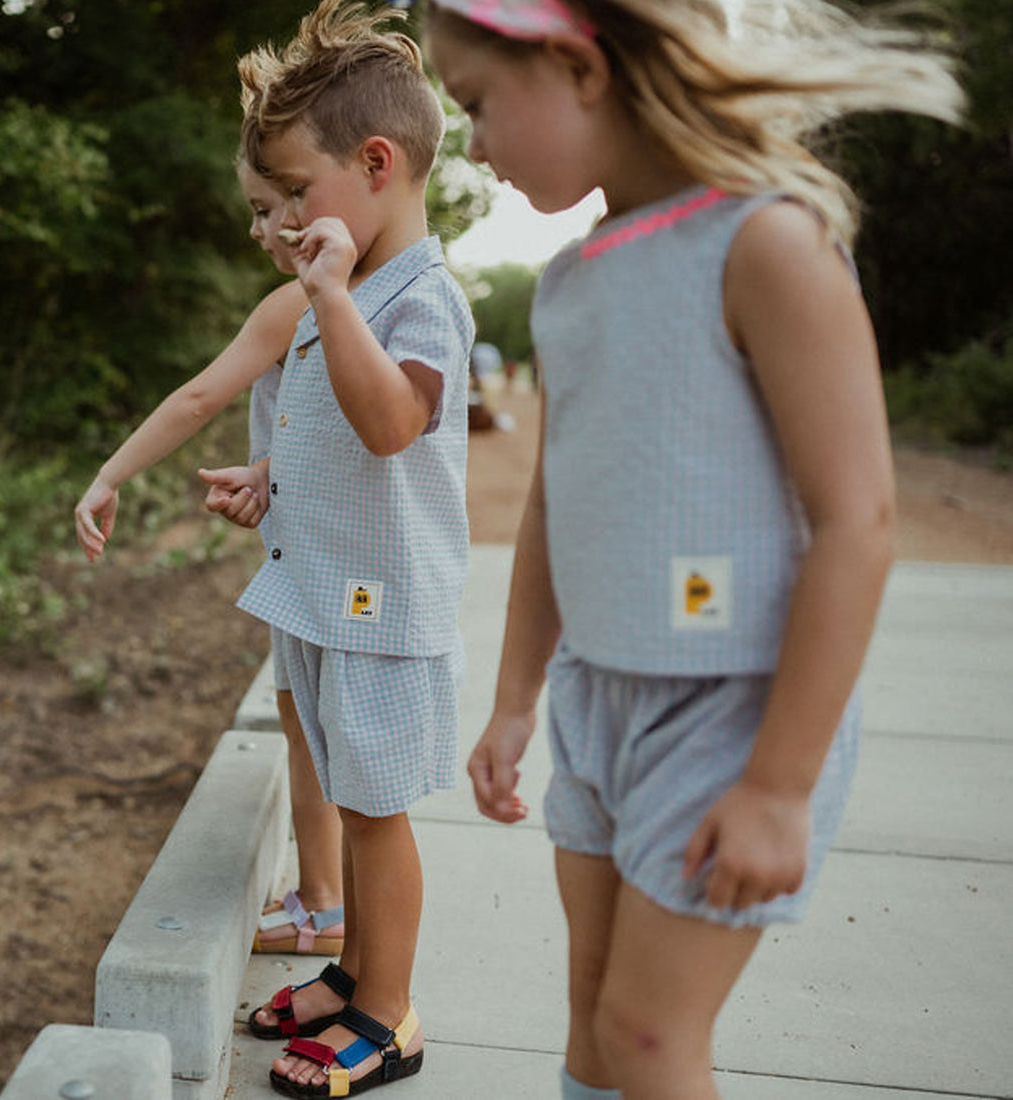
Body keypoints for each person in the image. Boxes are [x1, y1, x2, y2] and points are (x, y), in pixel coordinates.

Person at [424, 1, 963, 1098]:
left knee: (649, 1035)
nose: (471, 144)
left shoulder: (766, 239)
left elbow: (856, 519)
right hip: (597, 700)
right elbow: (551, 508)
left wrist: (777, 783)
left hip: (733, 712)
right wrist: (518, 695)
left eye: (476, 104)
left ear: (576, 66)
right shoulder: (571, 283)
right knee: (589, 1017)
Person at [222, 0, 474, 1094]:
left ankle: (388, 1012)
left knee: (377, 814)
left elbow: (390, 425)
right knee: (348, 785)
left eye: (296, 194)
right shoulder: (356, 291)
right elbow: (333, 434)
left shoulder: (420, 299)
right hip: (331, 593)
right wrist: (273, 475)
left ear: (376, 163)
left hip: (385, 603)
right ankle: (352, 966)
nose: (280, 221)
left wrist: (325, 294)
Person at [73, 155, 345, 953]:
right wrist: (269, 473)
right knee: (313, 727)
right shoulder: (370, 303)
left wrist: (109, 475)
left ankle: (327, 906)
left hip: (318, 567)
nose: (256, 228)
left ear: (306, 202)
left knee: (312, 730)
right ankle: (324, 899)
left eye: (266, 208)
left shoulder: (297, 302)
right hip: (319, 553)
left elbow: (199, 396)